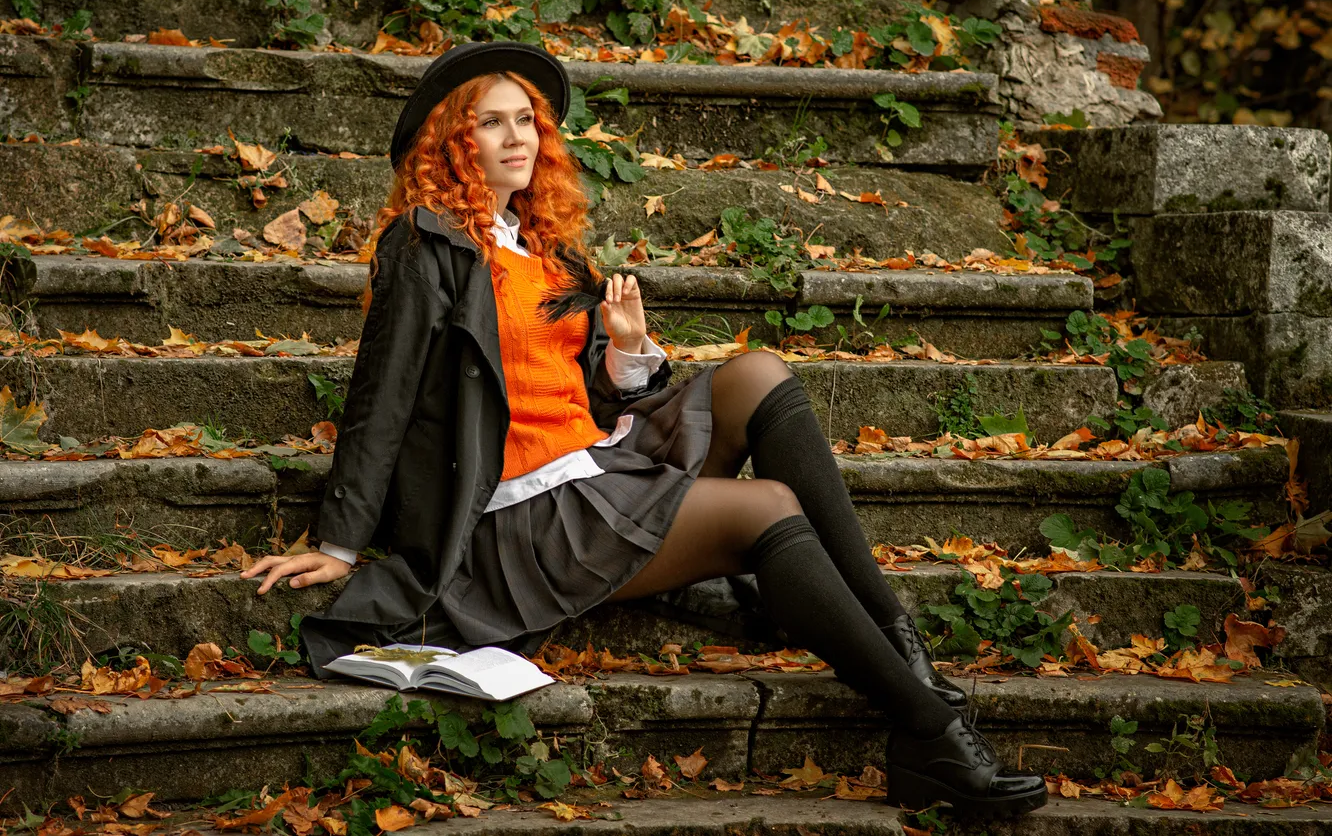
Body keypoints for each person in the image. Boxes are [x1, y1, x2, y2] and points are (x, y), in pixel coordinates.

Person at [238, 41, 1047, 819]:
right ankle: (926, 730)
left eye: (526, 119)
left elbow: (599, 397)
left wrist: (627, 349)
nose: (516, 135)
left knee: (760, 372)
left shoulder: (551, 254)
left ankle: (900, 647)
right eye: (491, 121)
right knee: (764, 505)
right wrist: (340, 543)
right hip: (518, 515)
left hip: (591, 465)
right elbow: (383, 394)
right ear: (453, 140)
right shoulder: (428, 248)